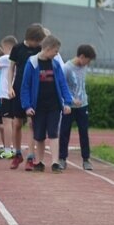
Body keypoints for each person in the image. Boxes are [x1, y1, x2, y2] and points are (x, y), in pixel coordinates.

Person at [20, 34, 72, 173]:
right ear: (48, 49)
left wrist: (67, 102)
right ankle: (39, 161)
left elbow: (62, 83)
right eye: (55, 51)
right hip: (38, 106)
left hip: (54, 105)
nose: (56, 54)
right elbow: (25, 86)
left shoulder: (55, 64)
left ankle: (55, 162)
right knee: (39, 135)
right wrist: (27, 106)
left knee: (54, 133)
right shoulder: (32, 63)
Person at [8, 24, 45, 170]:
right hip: (18, 88)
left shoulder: (39, 50)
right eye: (37, 41)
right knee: (17, 124)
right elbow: (11, 69)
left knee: (31, 123)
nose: (38, 44)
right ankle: (17, 154)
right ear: (30, 38)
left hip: (33, 90)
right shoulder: (17, 48)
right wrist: (9, 86)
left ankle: (31, 156)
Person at [60, 43, 97, 171]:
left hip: (83, 105)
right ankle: (62, 158)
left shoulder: (84, 67)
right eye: (88, 60)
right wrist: (69, 100)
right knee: (64, 132)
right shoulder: (67, 68)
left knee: (84, 132)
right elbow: (61, 86)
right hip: (69, 106)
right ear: (81, 56)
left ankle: (86, 159)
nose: (88, 63)